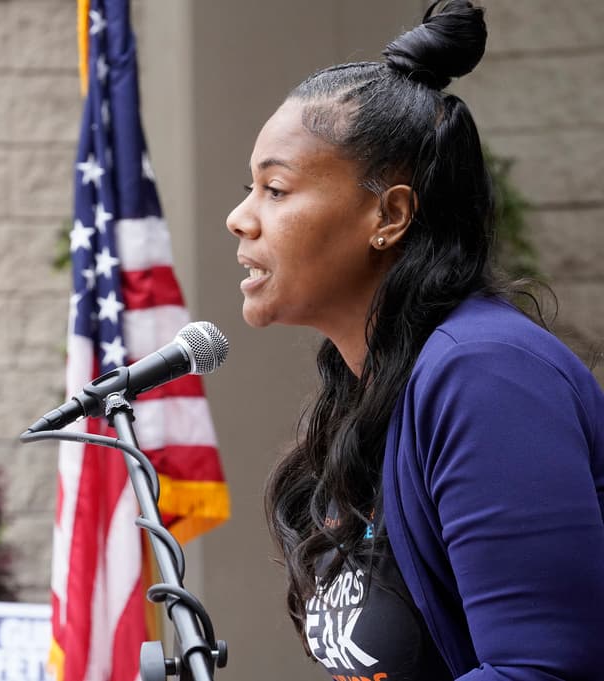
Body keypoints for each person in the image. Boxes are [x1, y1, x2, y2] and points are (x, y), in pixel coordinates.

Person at [225, 2, 604, 681]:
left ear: (390, 214)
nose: (239, 217)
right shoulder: (369, 393)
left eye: (275, 189)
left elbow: (543, 669)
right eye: (249, 188)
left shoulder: (485, 376)